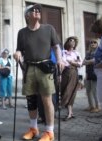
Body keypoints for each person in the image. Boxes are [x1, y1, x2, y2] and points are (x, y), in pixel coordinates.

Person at [13, 4, 64, 141]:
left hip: (44, 68)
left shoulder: (49, 29)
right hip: (28, 68)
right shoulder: (22, 32)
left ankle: (49, 132)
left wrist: (60, 60)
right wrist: (17, 53)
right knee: (31, 100)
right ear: (27, 15)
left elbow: (56, 47)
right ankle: (33, 128)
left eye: (38, 10)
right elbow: (19, 49)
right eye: (33, 10)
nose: (36, 11)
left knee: (47, 99)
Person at [60, 36, 82, 121]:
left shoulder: (76, 53)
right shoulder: (63, 52)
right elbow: (64, 62)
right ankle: (68, 111)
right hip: (65, 72)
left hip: (74, 73)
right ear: (67, 42)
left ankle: (69, 112)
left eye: (73, 42)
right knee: (65, 91)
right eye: (70, 41)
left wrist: (72, 62)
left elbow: (80, 63)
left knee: (71, 92)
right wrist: (73, 62)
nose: (72, 43)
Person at [82, 38, 101, 113]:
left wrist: (88, 61)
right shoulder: (88, 52)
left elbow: (95, 61)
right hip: (88, 73)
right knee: (88, 91)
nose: (92, 43)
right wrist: (89, 61)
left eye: (95, 42)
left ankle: (98, 106)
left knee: (94, 91)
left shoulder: (98, 52)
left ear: (98, 44)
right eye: (91, 42)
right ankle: (91, 106)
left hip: (95, 73)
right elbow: (83, 62)